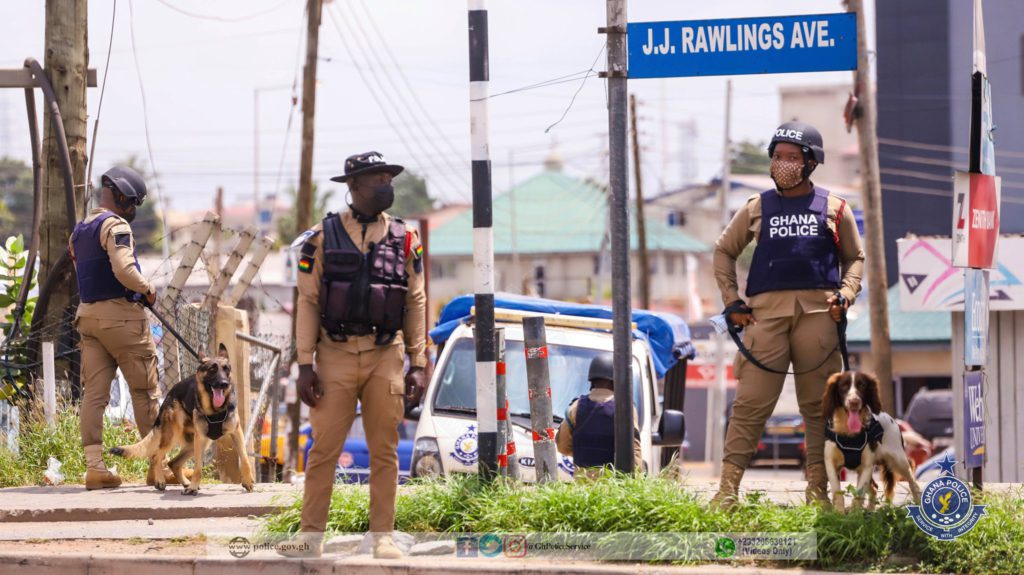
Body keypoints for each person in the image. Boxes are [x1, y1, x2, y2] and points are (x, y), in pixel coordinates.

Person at [277, 151, 427, 559]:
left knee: (384, 449)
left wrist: (419, 362)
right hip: (335, 353)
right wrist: (305, 364)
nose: (386, 184)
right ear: (354, 186)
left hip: (386, 353)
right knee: (323, 447)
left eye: (388, 177)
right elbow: (307, 302)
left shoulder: (405, 237)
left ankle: (382, 535)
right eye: (377, 178)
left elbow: (415, 301)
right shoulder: (321, 238)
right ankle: (310, 535)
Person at [709, 121, 864, 509]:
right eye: (777, 157)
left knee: (818, 408)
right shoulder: (757, 206)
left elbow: (854, 259)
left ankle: (819, 492)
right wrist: (732, 302)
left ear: (811, 162)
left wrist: (845, 294)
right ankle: (727, 492)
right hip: (764, 318)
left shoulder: (835, 207)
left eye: (792, 158)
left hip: (818, 316)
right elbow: (723, 251)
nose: (783, 164)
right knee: (750, 405)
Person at [70, 166, 171, 490]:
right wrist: (148, 289)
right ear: (124, 197)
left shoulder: (81, 228)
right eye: (134, 203)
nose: (133, 209)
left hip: (88, 317)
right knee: (144, 391)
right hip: (123, 319)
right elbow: (124, 269)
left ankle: (96, 468)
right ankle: (158, 465)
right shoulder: (115, 226)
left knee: (94, 395)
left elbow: (79, 264)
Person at [555, 353, 642, 476]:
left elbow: (563, 447)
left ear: (592, 380)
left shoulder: (575, 407)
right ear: (616, 380)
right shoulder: (625, 409)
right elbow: (634, 451)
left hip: (583, 487)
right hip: (614, 487)